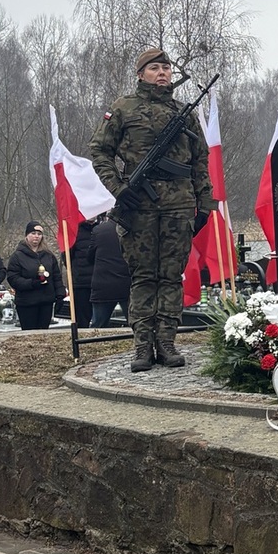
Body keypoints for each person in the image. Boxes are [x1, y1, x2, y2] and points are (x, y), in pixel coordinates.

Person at [90, 49, 215, 372]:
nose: (162, 73)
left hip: (179, 205)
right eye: (155, 68)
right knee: (143, 277)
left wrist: (205, 203)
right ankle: (143, 346)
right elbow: (99, 151)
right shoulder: (124, 108)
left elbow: (200, 160)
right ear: (140, 74)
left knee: (171, 277)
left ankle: (167, 343)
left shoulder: (183, 113)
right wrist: (118, 188)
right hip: (139, 206)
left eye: (166, 68)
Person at [5, 221, 66, 330]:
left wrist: (60, 295)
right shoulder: (17, 256)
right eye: (33, 233)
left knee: (43, 333)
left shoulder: (49, 255)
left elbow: (56, 277)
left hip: (46, 302)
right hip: (27, 303)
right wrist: (32, 283)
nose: (36, 236)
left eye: (39, 234)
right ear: (27, 235)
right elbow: (13, 278)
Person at [88, 214, 131, 328]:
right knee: (136, 323)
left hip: (103, 283)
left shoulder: (99, 230)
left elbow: (90, 257)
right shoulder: (132, 229)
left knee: (98, 326)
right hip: (127, 282)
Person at [62, 218, 95, 327]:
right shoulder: (74, 231)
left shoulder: (100, 230)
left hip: (98, 282)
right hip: (80, 282)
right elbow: (67, 257)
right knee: (82, 319)